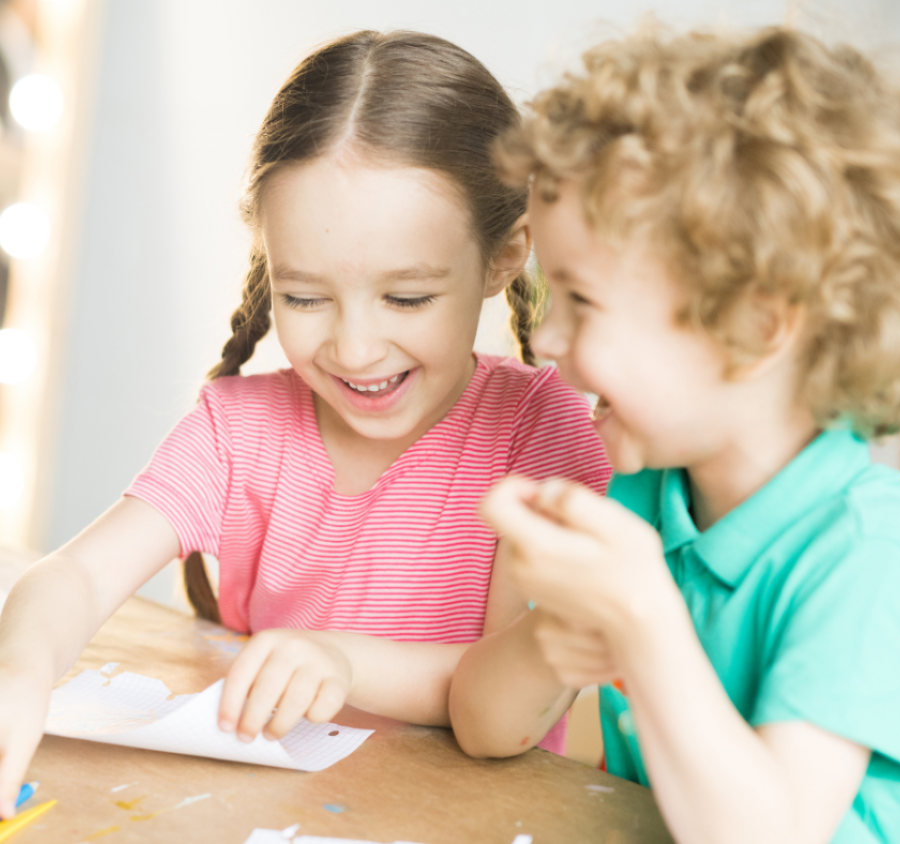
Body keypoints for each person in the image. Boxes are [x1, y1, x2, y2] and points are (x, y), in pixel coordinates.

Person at [0, 30, 612, 818]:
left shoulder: (546, 435)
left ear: (503, 258)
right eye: (306, 298)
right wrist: (18, 671)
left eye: (407, 298)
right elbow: (74, 577)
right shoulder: (237, 429)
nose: (355, 349)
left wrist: (341, 662)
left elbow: (504, 697)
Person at [449, 25, 900, 844]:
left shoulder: (866, 558)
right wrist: (559, 634)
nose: (544, 340)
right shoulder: (651, 494)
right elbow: (482, 724)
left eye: (582, 300)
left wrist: (644, 614)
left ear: (756, 327)